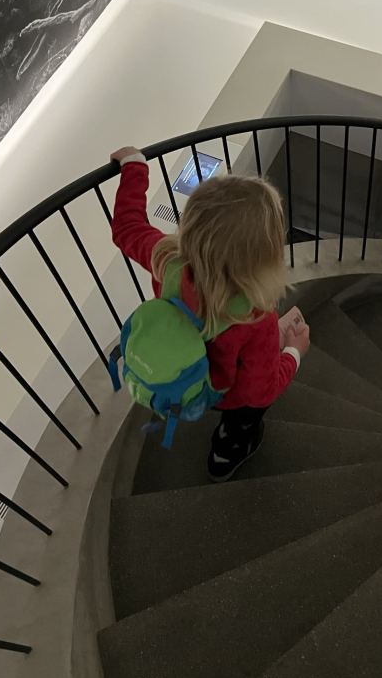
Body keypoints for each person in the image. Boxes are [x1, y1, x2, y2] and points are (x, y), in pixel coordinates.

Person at [110, 146, 311, 481]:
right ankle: (225, 455)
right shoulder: (255, 315)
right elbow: (259, 391)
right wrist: (293, 352)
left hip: (182, 375)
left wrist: (134, 166)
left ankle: (223, 457)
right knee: (244, 418)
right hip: (224, 395)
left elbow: (126, 227)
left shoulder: (166, 260)